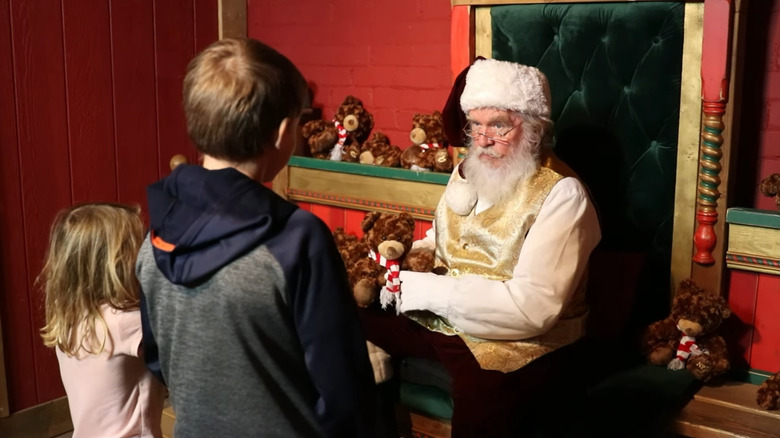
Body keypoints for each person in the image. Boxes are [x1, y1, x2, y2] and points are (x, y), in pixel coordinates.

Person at [135, 38, 376, 438]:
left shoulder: (156, 233)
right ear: (284, 132)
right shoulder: (298, 238)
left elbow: (157, 356)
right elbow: (342, 389)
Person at [360, 58, 602, 437]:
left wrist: (422, 289)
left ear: (535, 128)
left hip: (519, 340)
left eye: (499, 126)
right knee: (342, 313)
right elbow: (441, 239)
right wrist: (400, 265)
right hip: (446, 320)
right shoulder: (474, 171)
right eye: (475, 125)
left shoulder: (562, 194)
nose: (484, 139)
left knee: (487, 399)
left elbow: (532, 309)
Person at [39, 202, 165, 438]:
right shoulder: (124, 323)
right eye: (137, 248)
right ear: (115, 264)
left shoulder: (67, 314)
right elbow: (180, 349)